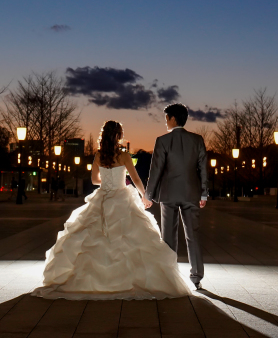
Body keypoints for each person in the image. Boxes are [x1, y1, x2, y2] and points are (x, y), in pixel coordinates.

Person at [32, 121, 190, 300]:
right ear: (119, 136)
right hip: (121, 196)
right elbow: (136, 179)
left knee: (91, 235)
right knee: (131, 237)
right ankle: (126, 280)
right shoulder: (124, 156)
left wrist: (107, 183)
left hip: (103, 196)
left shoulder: (99, 155)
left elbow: (94, 180)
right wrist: (144, 195)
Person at [145, 103, 208, 290]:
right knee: (193, 235)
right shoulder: (197, 140)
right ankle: (196, 277)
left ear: (173, 118)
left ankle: (169, 275)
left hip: (169, 194)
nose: (165, 122)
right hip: (192, 193)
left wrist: (149, 195)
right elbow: (203, 169)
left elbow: (155, 170)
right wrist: (204, 192)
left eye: (166, 118)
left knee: (168, 237)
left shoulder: (162, 141)